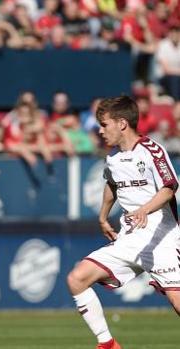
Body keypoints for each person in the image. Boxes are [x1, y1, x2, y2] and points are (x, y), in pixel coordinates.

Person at [66, 96, 180, 349]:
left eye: (104, 124)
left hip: (161, 238)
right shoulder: (114, 158)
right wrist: (103, 216)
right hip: (130, 239)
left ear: (122, 123)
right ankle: (108, 344)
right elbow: (112, 184)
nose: (100, 130)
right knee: (77, 278)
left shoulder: (152, 150)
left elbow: (169, 188)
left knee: (177, 302)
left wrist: (144, 209)